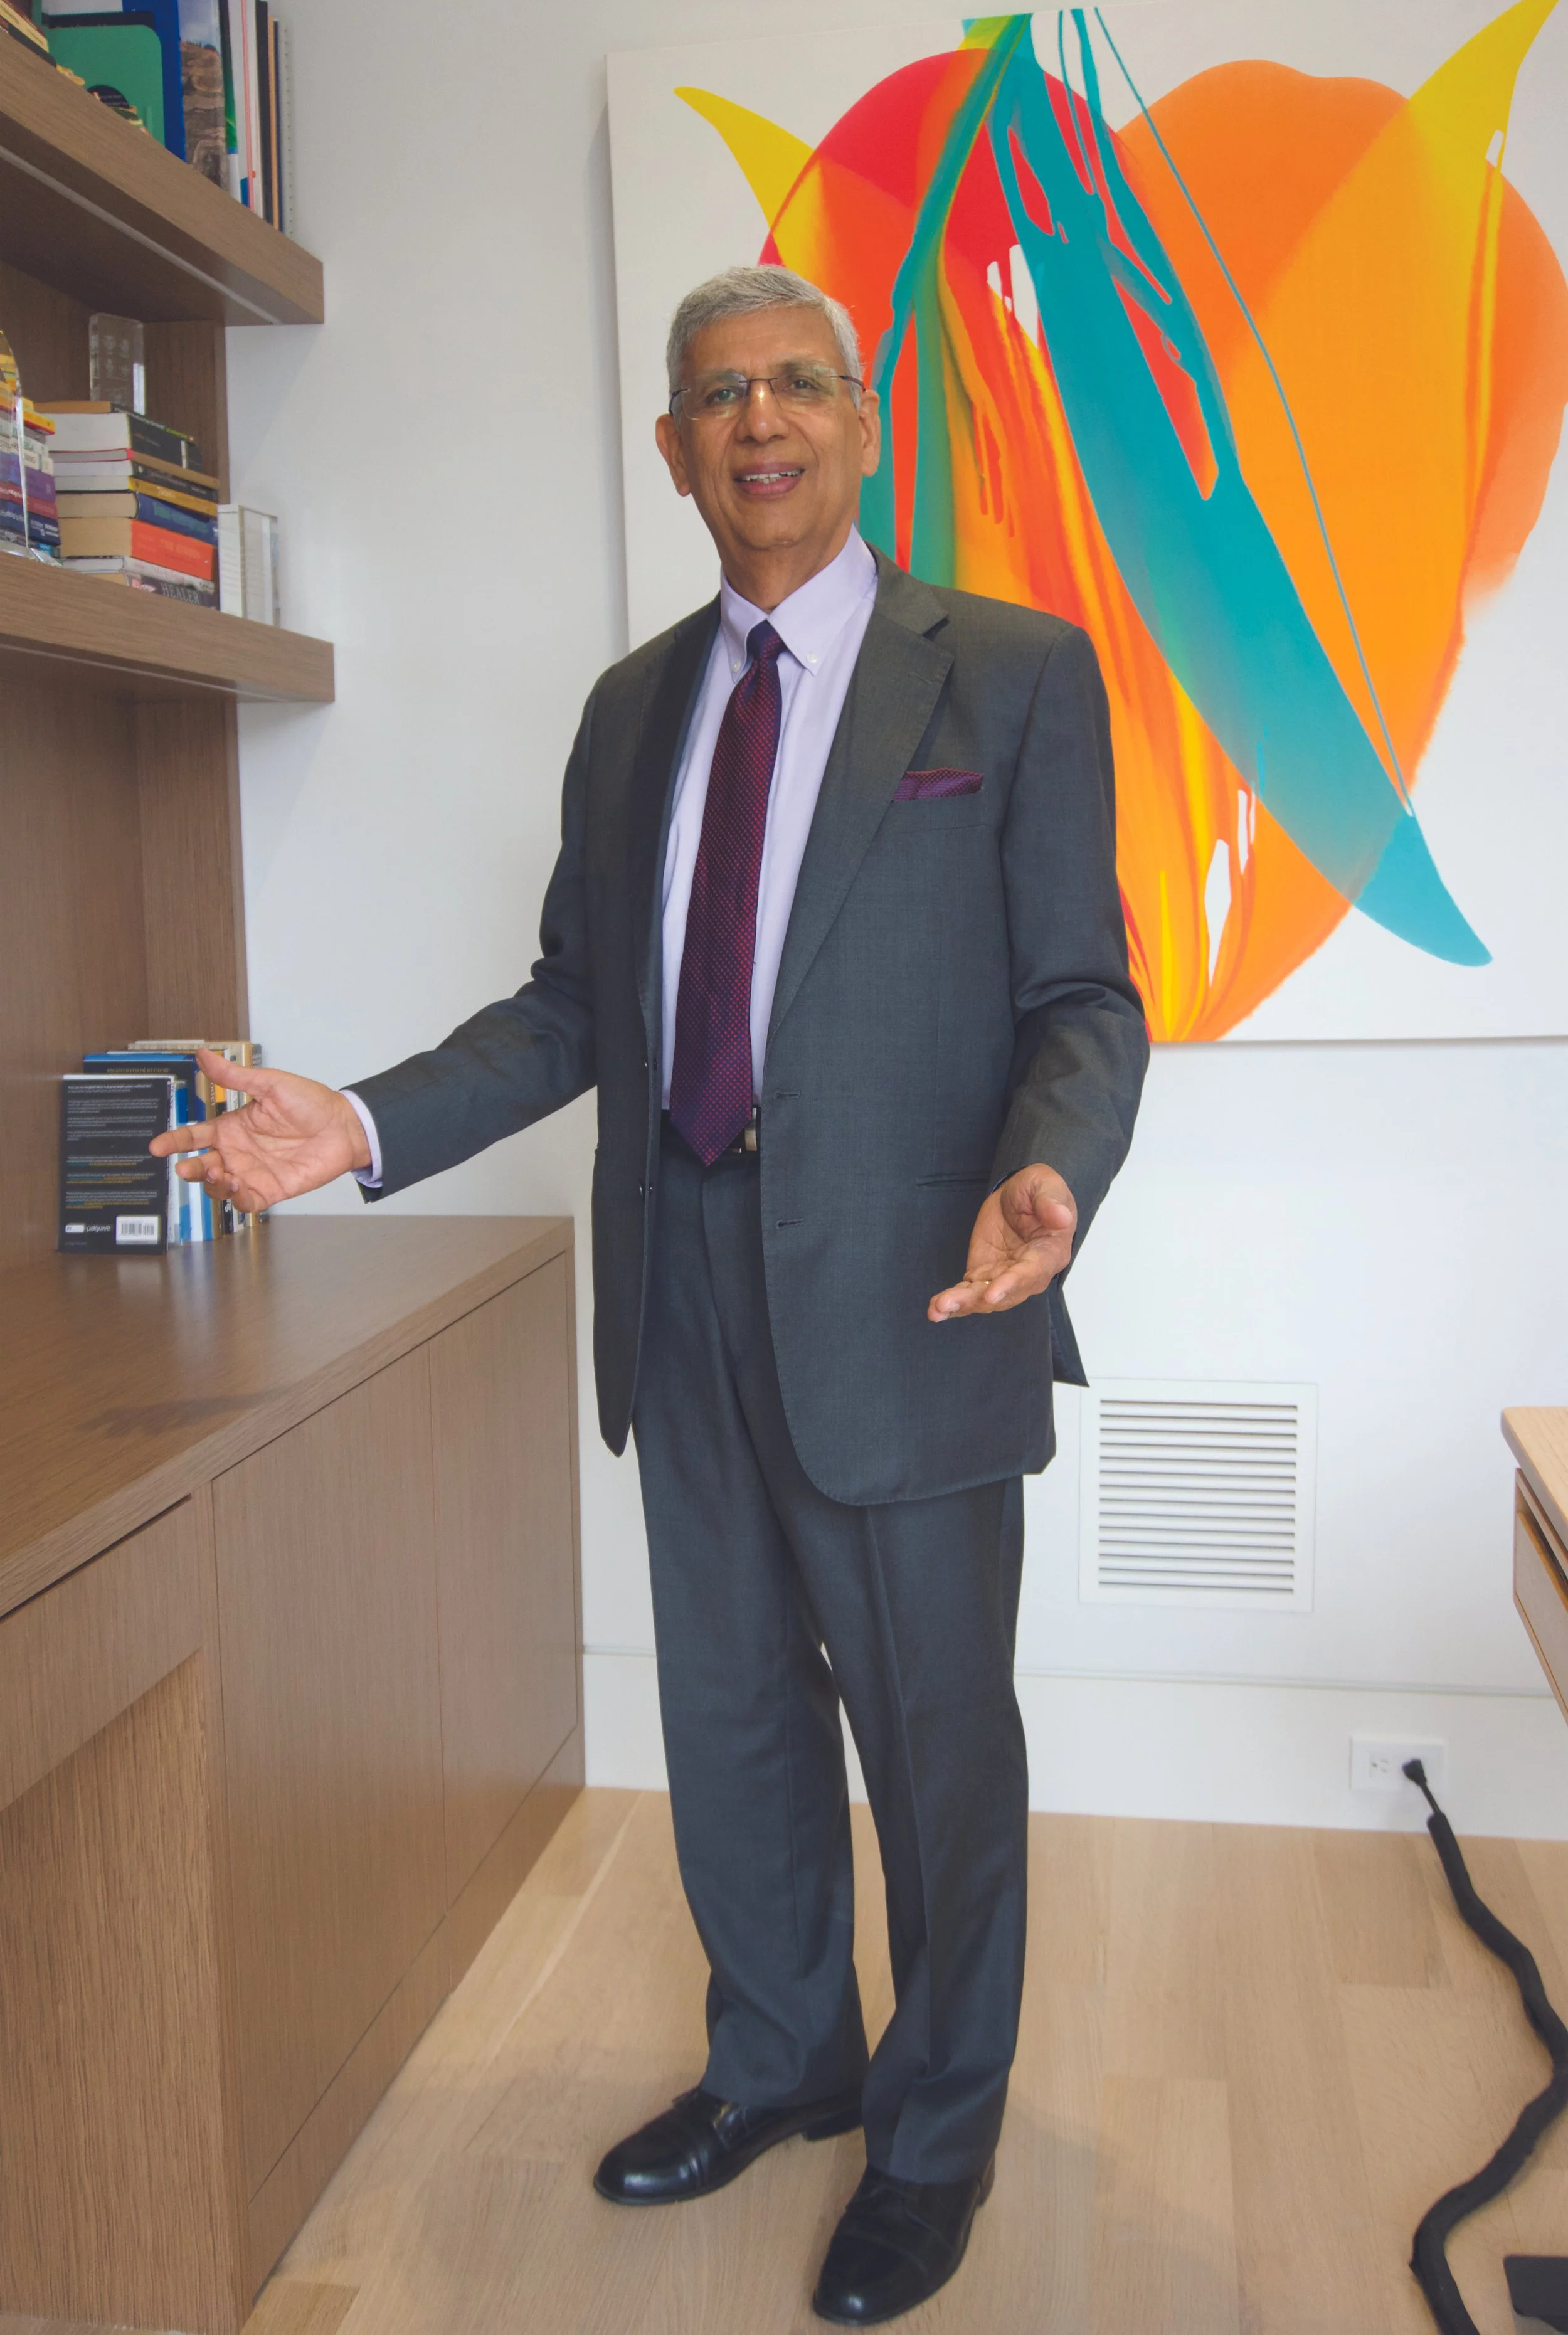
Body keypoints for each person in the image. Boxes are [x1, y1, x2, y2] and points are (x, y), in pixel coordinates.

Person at [155, 264, 1147, 2327]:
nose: (758, 418)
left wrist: (1048, 1168)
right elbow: (565, 1011)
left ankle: (934, 2139)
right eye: (717, 394)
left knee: (936, 1745)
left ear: (856, 419)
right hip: (678, 1273)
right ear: (674, 446)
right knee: (726, 1715)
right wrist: (352, 1122)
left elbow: (1082, 998)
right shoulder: (631, 709)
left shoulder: (1017, 676)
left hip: (912, 1289)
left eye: (795, 382)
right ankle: (785, 2059)